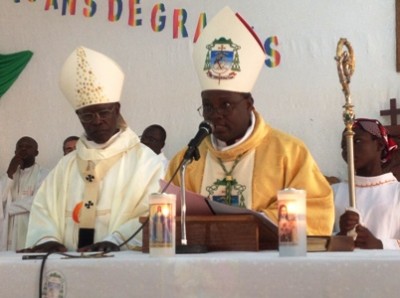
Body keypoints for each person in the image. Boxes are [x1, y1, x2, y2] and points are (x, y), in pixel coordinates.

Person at [165, 6, 334, 236]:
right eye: (208, 106)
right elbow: (167, 215)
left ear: (249, 104)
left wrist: (256, 222)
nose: (215, 114)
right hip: (203, 268)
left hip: (268, 266)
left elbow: (317, 209)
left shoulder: (289, 153)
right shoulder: (186, 160)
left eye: (225, 105)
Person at [22, 46, 164, 253]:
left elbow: (154, 212)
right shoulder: (66, 165)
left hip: (121, 268)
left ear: (117, 110)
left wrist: (117, 240)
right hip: (67, 269)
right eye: (87, 115)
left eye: (103, 112)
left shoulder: (147, 163)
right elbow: (44, 208)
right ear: (78, 116)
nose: (97, 121)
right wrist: (48, 239)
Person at [333, 118, 400, 249]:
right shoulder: (332, 193)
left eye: (357, 141)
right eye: (344, 145)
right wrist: (340, 236)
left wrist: (380, 244)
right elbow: (315, 239)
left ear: (379, 145)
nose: (349, 149)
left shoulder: (397, 192)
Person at [0, 136, 49, 251]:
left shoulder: (44, 174)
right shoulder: (7, 176)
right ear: (15, 152)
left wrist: (8, 208)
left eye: (28, 147)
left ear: (36, 152)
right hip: (7, 232)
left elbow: (37, 201)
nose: (23, 149)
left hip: (30, 230)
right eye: (20, 147)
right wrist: (9, 174)